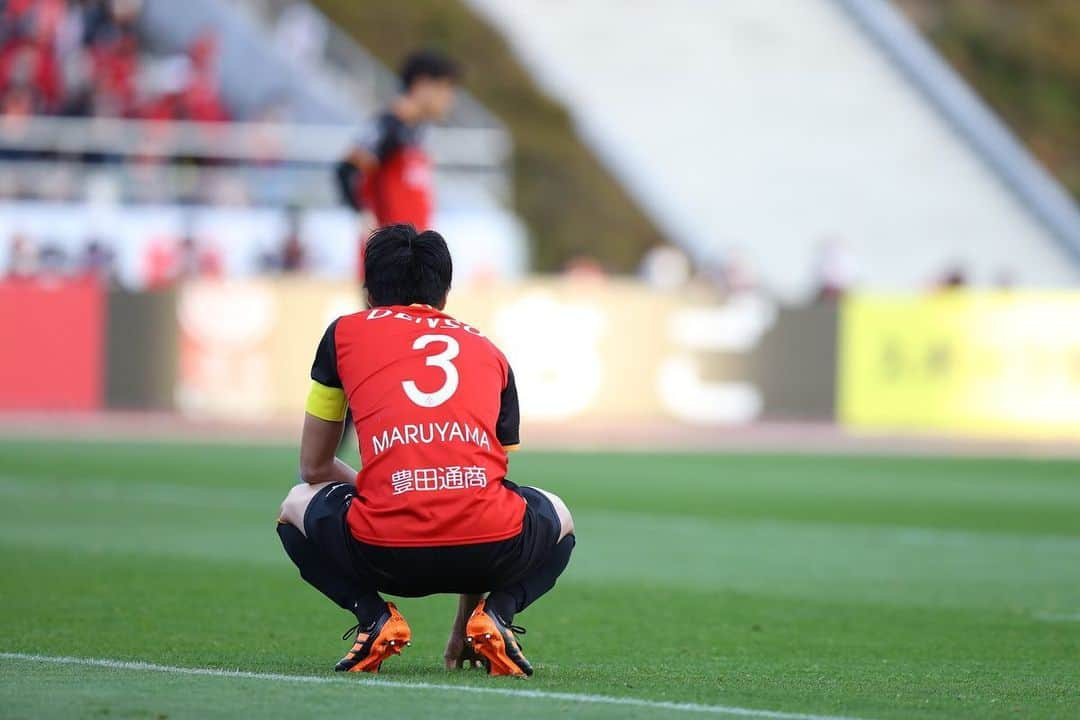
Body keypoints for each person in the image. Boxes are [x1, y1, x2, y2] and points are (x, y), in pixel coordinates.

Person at [276, 224, 576, 677]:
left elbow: (313, 465)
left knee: (294, 505)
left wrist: (381, 488)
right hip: (487, 548)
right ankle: (496, 616)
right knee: (559, 515)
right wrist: (463, 625)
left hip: (384, 552)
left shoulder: (343, 334)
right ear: (446, 294)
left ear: (368, 292)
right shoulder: (489, 351)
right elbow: (481, 485)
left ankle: (373, 618)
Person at [335, 50, 459, 270]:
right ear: (422, 85)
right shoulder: (390, 127)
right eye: (444, 88)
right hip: (391, 262)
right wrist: (364, 216)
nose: (449, 98)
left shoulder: (416, 131)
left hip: (412, 258)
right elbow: (346, 169)